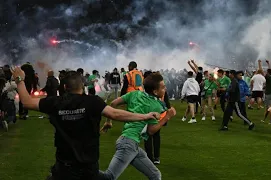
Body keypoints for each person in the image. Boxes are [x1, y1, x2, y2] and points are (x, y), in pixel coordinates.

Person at [11, 67, 161, 180]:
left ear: (64, 88)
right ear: (82, 86)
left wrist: (20, 80)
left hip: (64, 169)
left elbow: (27, 101)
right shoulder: (92, 102)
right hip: (89, 169)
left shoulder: (56, 103)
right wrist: (144, 116)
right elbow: (115, 113)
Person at [100, 72, 176, 180]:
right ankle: (81, 170)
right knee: (109, 177)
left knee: (155, 175)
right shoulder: (155, 106)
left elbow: (113, 104)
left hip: (131, 144)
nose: (165, 89)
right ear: (155, 91)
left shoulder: (135, 93)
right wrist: (167, 117)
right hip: (128, 144)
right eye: (163, 87)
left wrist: (108, 122)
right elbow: (151, 131)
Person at [143, 71, 171, 165]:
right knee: (156, 136)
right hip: (160, 116)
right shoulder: (160, 88)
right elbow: (167, 103)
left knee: (148, 136)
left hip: (149, 115)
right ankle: (156, 157)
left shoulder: (145, 92)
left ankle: (150, 158)